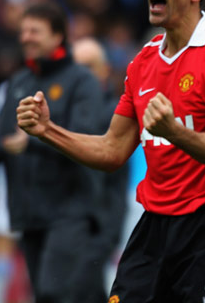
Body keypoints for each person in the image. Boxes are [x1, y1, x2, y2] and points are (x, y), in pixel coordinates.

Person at [15, 0, 205, 302]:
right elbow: (112, 150)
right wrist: (47, 130)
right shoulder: (142, 62)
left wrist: (173, 131)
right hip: (153, 226)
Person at [0, 2, 106, 302]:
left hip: (70, 211)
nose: (25, 37)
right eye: (23, 31)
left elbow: (87, 137)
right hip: (28, 212)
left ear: (58, 36)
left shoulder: (82, 80)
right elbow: (3, 138)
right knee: (46, 294)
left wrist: (33, 140)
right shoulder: (19, 82)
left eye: (34, 31)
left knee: (53, 293)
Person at [72, 37, 129, 301]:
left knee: (82, 289)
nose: (81, 75)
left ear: (104, 69)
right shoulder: (60, 113)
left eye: (89, 66)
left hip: (100, 221)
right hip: (61, 219)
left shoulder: (118, 113)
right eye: (76, 67)